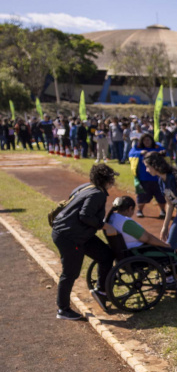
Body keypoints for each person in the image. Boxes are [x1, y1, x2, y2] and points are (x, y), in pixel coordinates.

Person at [51, 164, 118, 320]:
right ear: (106, 180)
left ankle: (101, 291)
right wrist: (104, 225)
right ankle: (63, 309)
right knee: (70, 273)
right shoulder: (98, 194)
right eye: (112, 178)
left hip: (77, 234)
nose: (113, 181)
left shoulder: (85, 187)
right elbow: (85, 216)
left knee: (106, 255)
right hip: (69, 237)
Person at [129, 134, 166, 219]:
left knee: (161, 195)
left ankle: (163, 210)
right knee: (142, 195)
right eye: (144, 140)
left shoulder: (157, 147)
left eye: (148, 140)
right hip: (144, 178)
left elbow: (165, 153)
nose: (147, 142)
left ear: (152, 140)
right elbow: (131, 154)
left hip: (157, 178)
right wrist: (140, 152)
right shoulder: (137, 148)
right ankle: (140, 210)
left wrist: (161, 153)